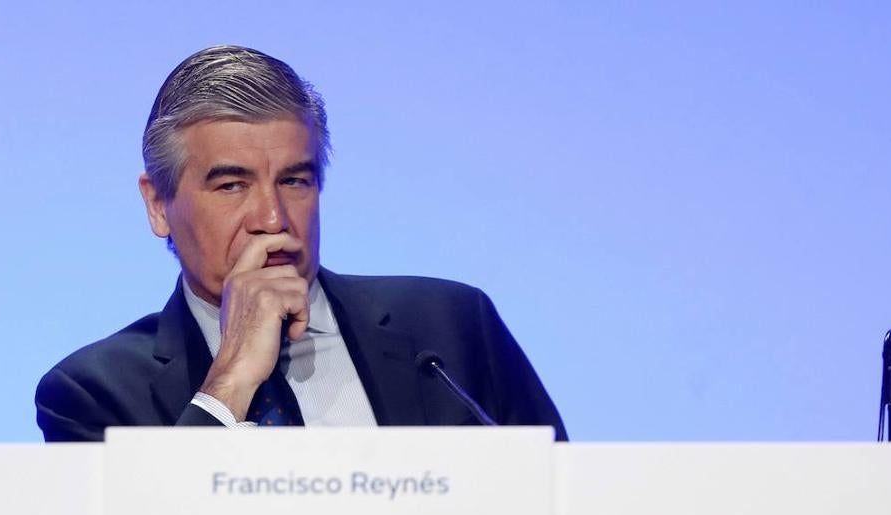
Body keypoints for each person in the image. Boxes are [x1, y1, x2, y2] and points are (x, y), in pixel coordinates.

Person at [35, 45, 565, 441]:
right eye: (232, 185)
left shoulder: (449, 329)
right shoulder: (92, 394)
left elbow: (568, 513)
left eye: (294, 181)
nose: (272, 218)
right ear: (158, 205)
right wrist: (232, 378)